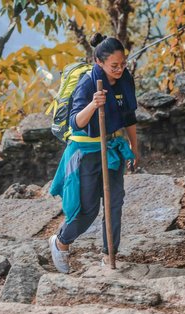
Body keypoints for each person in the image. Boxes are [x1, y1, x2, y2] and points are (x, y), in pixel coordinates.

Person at [49, 33, 138, 274]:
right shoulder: (89, 83)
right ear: (99, 62)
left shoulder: (125, 80)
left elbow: (129, 115)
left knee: (114, 203)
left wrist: (134, 148)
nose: (119, 70)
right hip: (86, 151)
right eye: (114, 66)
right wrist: (93, 104)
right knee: (88, 210)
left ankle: (109, 253)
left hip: (113, 148)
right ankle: (61, 242)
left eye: (123, 65)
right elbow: (75, 122)